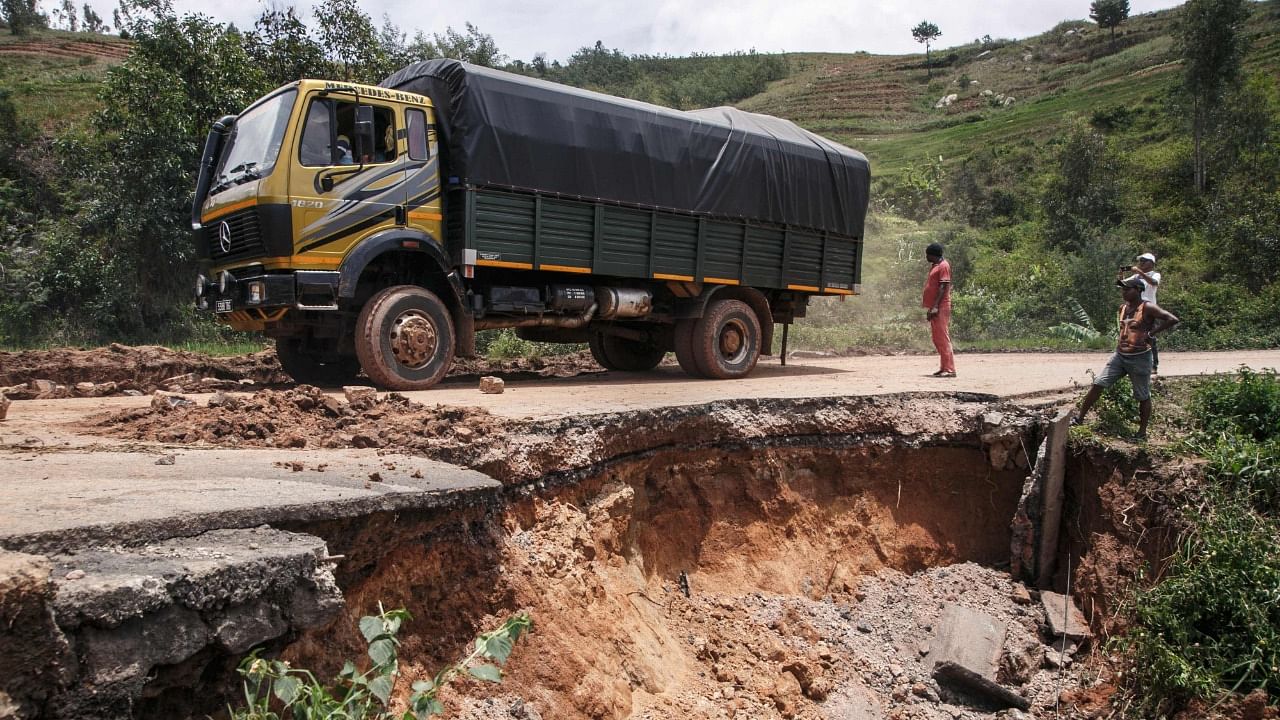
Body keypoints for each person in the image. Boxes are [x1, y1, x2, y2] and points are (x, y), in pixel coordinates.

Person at [1074, 276, 1180, 440]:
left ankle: (1141, 433)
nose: (1123, 292)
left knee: (1142, 395)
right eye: (1122, 289)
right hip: (1120, 355)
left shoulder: (1148, 307)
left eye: (1127, 289)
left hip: (1140, 357)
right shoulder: (1123, 308)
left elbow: (1172, 319)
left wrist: (1151, 334)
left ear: (1138, 290)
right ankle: (1079, 418)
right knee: (1098, 384)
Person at [1124, 252, 1163, 373]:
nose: (1140, 263)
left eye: (1143, 261)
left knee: (1150, 336)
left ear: (1150, 263)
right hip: (1136, 309)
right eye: (1140, 261)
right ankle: (1134, 364)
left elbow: (1154, 283)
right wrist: (1121, 274)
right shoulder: (1135, 277)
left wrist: (1139, 273)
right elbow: (1121, 284)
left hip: (1149, 309)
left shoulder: (1154, 274)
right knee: (1132, 336)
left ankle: (1153, 365)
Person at [923, 242, 956, 377]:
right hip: (935, 307)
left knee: (943, 338)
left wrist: (936, 306)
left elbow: (943, 287)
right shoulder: (935, 266)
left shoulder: (944, 266)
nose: (926, 257)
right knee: (937, 339)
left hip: (941, 307)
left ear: (933, 255)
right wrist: (931, 307)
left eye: (928, 254)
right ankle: (944, 367)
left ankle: (950, 369)